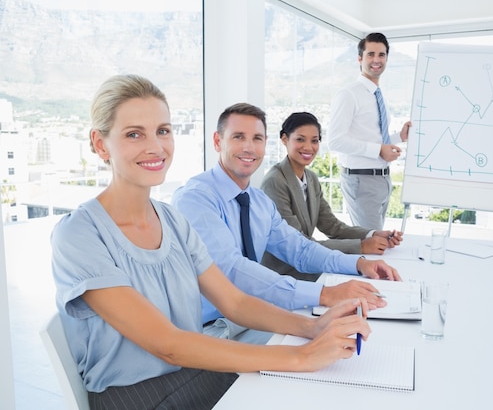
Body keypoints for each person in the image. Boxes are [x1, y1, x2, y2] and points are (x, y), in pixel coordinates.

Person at [50, 74, 372, 410]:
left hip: (191, 371)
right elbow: (167, 343)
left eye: (163, 130)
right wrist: (302, 355)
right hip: (137, 395)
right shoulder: (79, 234)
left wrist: (313, 326)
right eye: (134, 134)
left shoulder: (172, 220)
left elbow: (234, 302)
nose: (155, 147)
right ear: (101, 144)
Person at [171, 103, 400, 344]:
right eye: (238, 137)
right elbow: (231, 270)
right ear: (218, 141)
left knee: (348, 335)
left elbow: (300, 249)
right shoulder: (195, 198)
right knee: (324, 346)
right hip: (212, 327)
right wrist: (325, 294)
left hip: (255, 314)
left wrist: (359, 264)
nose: (249, 147)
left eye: (257, 138)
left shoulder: (258, 201)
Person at [260, 111, 404, 282]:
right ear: (285, 139)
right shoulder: (275, 182)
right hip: (284, 272)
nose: (308, 147)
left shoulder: (311, 178)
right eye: (300, 139)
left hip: (307, 262)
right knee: (362, 280)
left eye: (314, 141)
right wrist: (360, 246)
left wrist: (372, 234)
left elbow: (333, 227)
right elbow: (299, 245)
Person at [327, 32, 411, 230]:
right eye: (370, 54)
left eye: (381, 55)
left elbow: (375, 138)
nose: (376, 60)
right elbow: (335, 141)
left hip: (382, 178)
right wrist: (378, 150)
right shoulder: (349, 94)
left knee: (377, 240)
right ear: (360, 58)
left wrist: (400, 137)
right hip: (361, 179)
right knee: (373, 244)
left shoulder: (378, 95)